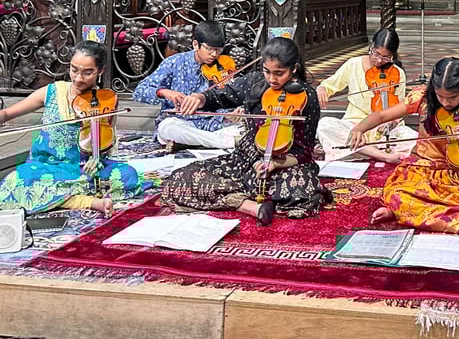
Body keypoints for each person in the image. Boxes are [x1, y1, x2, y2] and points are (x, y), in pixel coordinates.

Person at [162, 37, 331, 226]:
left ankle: (232, 194)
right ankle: (249, 206)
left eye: (279, 73)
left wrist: (274, 163)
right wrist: (200, 98)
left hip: (285, 164)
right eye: (267, 71)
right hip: (245, 159)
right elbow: (222, 95)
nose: (272, 79)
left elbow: (304, 151)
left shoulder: (307, 96)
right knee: (180, 178)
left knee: (303, 189)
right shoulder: (255, 82)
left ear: (293, 68)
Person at [348, 57, 459, 239]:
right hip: (419, 168)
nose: (445, 102)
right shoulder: (422, 99)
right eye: (440, 96)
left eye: (452, 97)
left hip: (451, 171)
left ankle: (402, 213)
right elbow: (381, 115)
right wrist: (359, 129)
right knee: (398, 193)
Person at [0, 41, 153, 215]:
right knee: (19, 180)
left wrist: (96, 157)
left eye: (88, 73)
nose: (79, 78)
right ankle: (88, 201)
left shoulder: (107, 100)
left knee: (127, 175)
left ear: (100, 71)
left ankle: (61, 197)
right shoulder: (52, 91)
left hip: (82, 166)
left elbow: (106, 139)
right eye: (74, 70)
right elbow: (7, 113)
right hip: (47, 165)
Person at [133, 20, 243, 150]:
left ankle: (195, 142)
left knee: (246, 129)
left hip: (214, 123)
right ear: (196, 44)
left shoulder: (224, 65)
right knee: (167, 128)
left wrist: (233, 112)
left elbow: (232, 95)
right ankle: (225, 142)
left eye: (218, 50)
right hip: (181, 121)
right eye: (209, 49)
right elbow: (139, 91)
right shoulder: (174, 62)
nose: (214, 54)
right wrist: (164, 92)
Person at [316, 28, 417, 164]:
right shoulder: (353, 64)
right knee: (325, 125)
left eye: (386, 57)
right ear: (371, 45)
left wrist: (390, 124)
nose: (380, 60)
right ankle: (381, 155)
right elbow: (329, 85)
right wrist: (322, 89)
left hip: (382, 132)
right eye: (376, 54)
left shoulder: (398, 73)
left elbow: (398, 111)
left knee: (413, 138)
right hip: (353, 127)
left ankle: (358, 151)